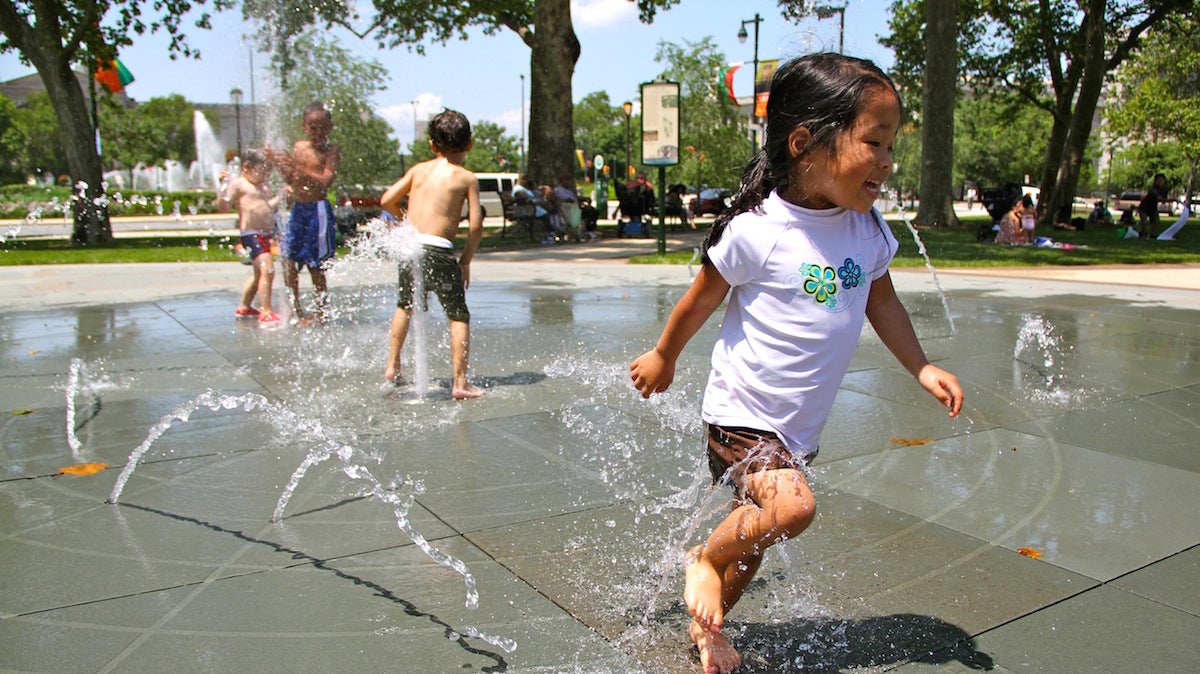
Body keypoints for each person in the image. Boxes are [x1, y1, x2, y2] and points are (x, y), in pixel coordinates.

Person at [629, 53, 964, 674]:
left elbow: (881, 301)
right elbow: (700, 297)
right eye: (875, 142)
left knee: (753, 544)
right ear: (805, 142)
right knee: (791, 511)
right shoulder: (761, 229)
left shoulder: (866, 230)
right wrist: (663, 355)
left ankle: (709, 630)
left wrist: (920, 366)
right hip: (742, 415)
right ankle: (700, 559)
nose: (888, 163)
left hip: (795, 429)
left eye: (892, 145)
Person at [380, 109, 484, 399]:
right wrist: (465, 261)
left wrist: (406, 221)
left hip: (411, 248)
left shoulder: (418, 170)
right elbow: (475, 226)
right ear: (469, 144)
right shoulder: (466, 178)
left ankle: (392, 365)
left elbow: (387, 200)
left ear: (432, 145)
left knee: (405, 305)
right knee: (458, 315)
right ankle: (460, 383)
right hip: (439, 250)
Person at [267, 102, 341, 325]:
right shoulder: (299, 147)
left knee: (315, 265)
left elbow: (326, 180)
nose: (317, 132)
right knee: (288, 260)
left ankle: (321, 311)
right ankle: (295, 308)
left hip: (318, 210)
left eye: (322, 127)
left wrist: (299, 168)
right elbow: (292, 179)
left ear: (329, 127)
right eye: (312, 127)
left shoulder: (332, 151)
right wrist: (279, 163)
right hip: (299, 209)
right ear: (304, 126)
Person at [217, 148, 285, 324]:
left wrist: (281, 196)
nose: (265, 175)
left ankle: (244, 307)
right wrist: (222, 186)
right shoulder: (239, 184)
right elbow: (224, 206)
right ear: (247, 167)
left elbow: (266, 205)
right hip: (251, 234)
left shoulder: (262, 185)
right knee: (267, 269)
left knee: (258, 274)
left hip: (264, 234)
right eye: (262, 170)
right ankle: (266, 311)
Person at [1138, 173, 1168, 239]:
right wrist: (1174, 200)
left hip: (1153, 208)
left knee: (1156, 222)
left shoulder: (1164, 189)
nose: (1161, 182)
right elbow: (1159, 198)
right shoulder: (1153, 189)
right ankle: (1142, 235)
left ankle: (1149, 235)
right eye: (1159, 180)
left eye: (1162, 180)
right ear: (1156, 181)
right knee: (1144, 222)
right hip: (1144, 208)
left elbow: (1164, 200)